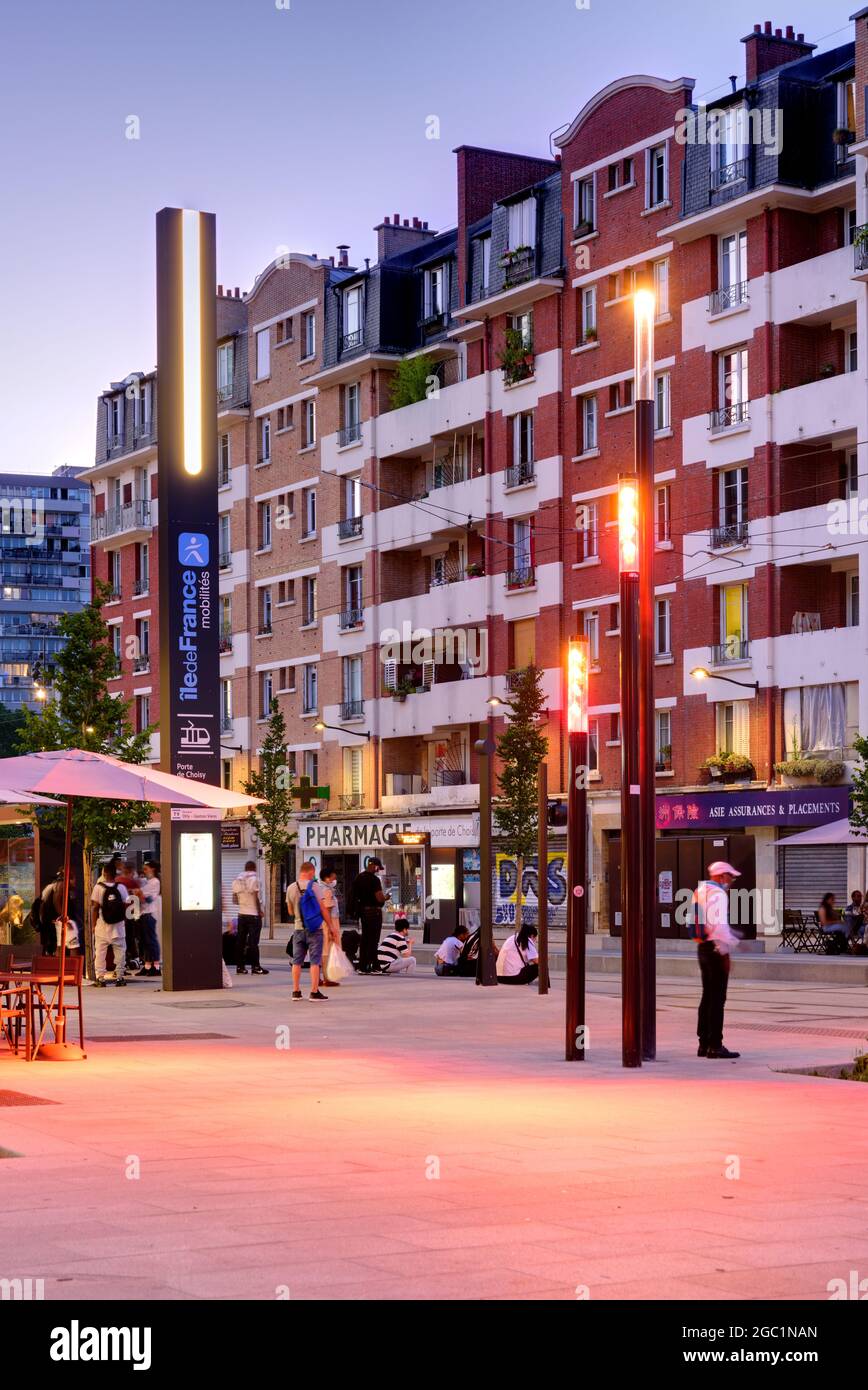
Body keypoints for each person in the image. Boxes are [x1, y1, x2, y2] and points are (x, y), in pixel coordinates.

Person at [692, 861, 741, 1059]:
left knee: (707, 996)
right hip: (715, 949)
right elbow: (719, 926)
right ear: (721, 876)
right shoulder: (719, 894)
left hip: (702, 947)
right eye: (730, 876)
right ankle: (715, 1045)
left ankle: (703, 1043)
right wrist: (725, 952)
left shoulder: (700, 891)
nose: (732, 880)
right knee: (718, 998)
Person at [285, 861, 336, 1001]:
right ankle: (314, 992)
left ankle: (296, 991)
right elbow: (322, 909)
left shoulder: (290, 888)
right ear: (311, 872)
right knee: (315, 961)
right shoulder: (315, 887)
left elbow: (290, 911)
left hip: (298, 929)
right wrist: (331, 926)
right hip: (315, 928)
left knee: (297, 961)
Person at [91, 860, 130, 987]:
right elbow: (126, 904)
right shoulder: (121, 887)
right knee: (120, 951)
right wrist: (122, 919)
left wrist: (93, 924)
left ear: (104, 873)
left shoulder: (98, 887)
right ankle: (119, 977)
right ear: (115, 874)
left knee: (100, 952)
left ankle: (100, 978)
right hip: (118, 926)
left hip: (102, 925)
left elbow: (95, 907)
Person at [350, 857, 388, 974]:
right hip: (374, 912)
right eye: (378, 868)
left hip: (363, 913)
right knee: (373, 940)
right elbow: (379, 897)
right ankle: (374, 966)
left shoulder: (359, 877)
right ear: (374, 866)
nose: (377, 870)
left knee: (365, 939)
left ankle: (363, 966)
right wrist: (386, 897)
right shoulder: (374, 880)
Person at [231, 861, 268, 976]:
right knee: (253, 942)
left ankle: (240, 967)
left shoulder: (238, 879)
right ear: (254, 868)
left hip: (241, 914)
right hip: (253, 915)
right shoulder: (255, 879)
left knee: (240, 942)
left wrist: (243, 902)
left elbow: (234, 899)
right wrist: (259, 911)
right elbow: (256, 897)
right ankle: (255, 967)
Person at [137, 860, 162, 977]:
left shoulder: (155, 882)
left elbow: (148, 899)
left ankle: (156, 966)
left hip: (149, 913)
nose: (144, 871)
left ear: (153, 869)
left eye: (146, 869)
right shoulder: (146, 882)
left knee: (151, 940)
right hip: (142, 913)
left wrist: (139, 894)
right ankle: (147, 965)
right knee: (145, 941)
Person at [117, 860, 143, 972]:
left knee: (123, 937)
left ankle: (125, 959)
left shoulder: (117, 881)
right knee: (132, 937)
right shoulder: (132, 882)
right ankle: (133, 957)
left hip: (120, 913)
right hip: (131, 914)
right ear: (131, 871)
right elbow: (138, 900)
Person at [319, 868, 343, 986]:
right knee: (327, 951)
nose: (335, 880)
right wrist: (331, 929)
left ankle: (324, 977)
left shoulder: (322, 888)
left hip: (327, 923)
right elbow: (326, 910)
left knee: (325, 950)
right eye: (333, 877)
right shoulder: (326, 891)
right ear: (327, 878)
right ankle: (327, 978)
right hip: (329, 923)